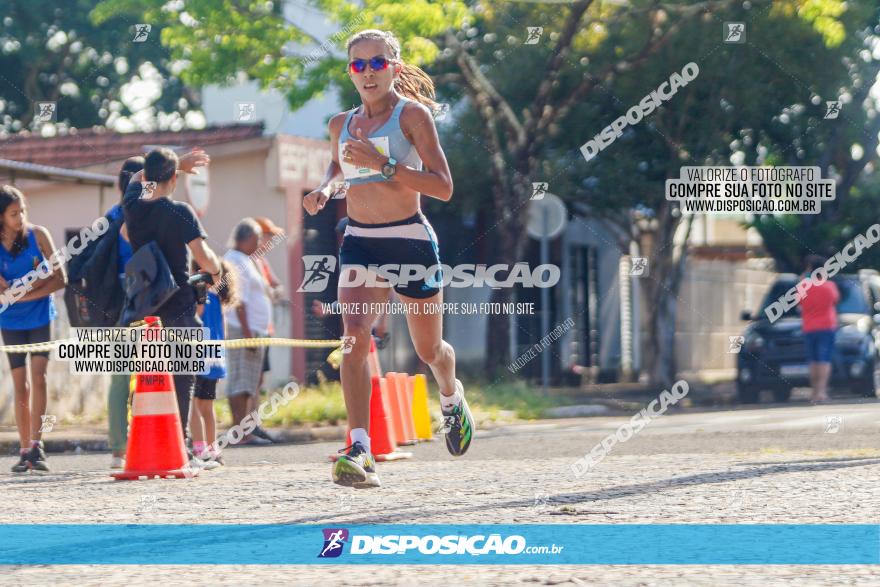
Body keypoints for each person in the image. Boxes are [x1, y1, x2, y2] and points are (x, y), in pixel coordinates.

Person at [302, 29, 472, 489]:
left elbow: (443, 186)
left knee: (428, 351)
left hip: (409, 240)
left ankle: (452, 398)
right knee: (354, 339)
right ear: (350, 72)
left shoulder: (411, 116)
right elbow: (339, 167)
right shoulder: (340, 123)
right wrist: (324, 189)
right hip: (360, 241)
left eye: (378, 63)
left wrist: (384, 167)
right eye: (359, 65)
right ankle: (360, 447)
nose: (369, 72)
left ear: (394, 67)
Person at [122, 147, 222, 442]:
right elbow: (205, 258)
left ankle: (148, 442)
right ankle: (181, 443)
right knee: (182, 379)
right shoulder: (179, 211)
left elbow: (137, 180)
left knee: (149, 378)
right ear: (174, 181)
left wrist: (175, 165)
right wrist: (215, 271)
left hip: (144, 306)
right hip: (178, 304)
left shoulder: (132, 206)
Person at [0, 185, 66, 472]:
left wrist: (25, 293)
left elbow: (60, 278)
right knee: (20, 385)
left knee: (38, 378)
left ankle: (38, 446)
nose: (20, 217)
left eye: (23, 211)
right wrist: (34, 283)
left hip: (40, 316)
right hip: (10, 322)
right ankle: (24, 448)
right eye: (14, 214)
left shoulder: (39, 236)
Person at [106, 156, 144, 469]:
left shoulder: (110, 217)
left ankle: (120, 449)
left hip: (116, 307)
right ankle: (150, 443)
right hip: (149, 304)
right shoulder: (147, 214)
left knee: (120, 379)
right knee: (155, 376)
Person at [223, 219, 272, 445]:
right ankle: (241, 433)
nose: (260, 242)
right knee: (241, 382)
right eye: (257, 238)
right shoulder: (236, 260)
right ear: (247, 238)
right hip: (245, 329)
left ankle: (245, 431)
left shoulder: (245, 259)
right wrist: (247, 333)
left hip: (253, 328)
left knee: (249, 382)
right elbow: (239, 302)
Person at [190, 259, 238, 466]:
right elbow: (223, 331)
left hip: (198, 356)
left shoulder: (201, 296)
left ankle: (199, 448)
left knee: (192, 404)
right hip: (215, 357)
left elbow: (196, 317)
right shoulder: (218, 299)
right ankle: (213, 448)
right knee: (207, 407)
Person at [799, 255, 839, 403]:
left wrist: (804, 277)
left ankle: (814, 392)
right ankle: (821, 391)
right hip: (827, 326)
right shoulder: (830, 286)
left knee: (813, 360)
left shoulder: (804, 286)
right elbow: (835, 301)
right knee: (824, 359)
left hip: (809, 327)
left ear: (810, 269)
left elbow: (799, 302)